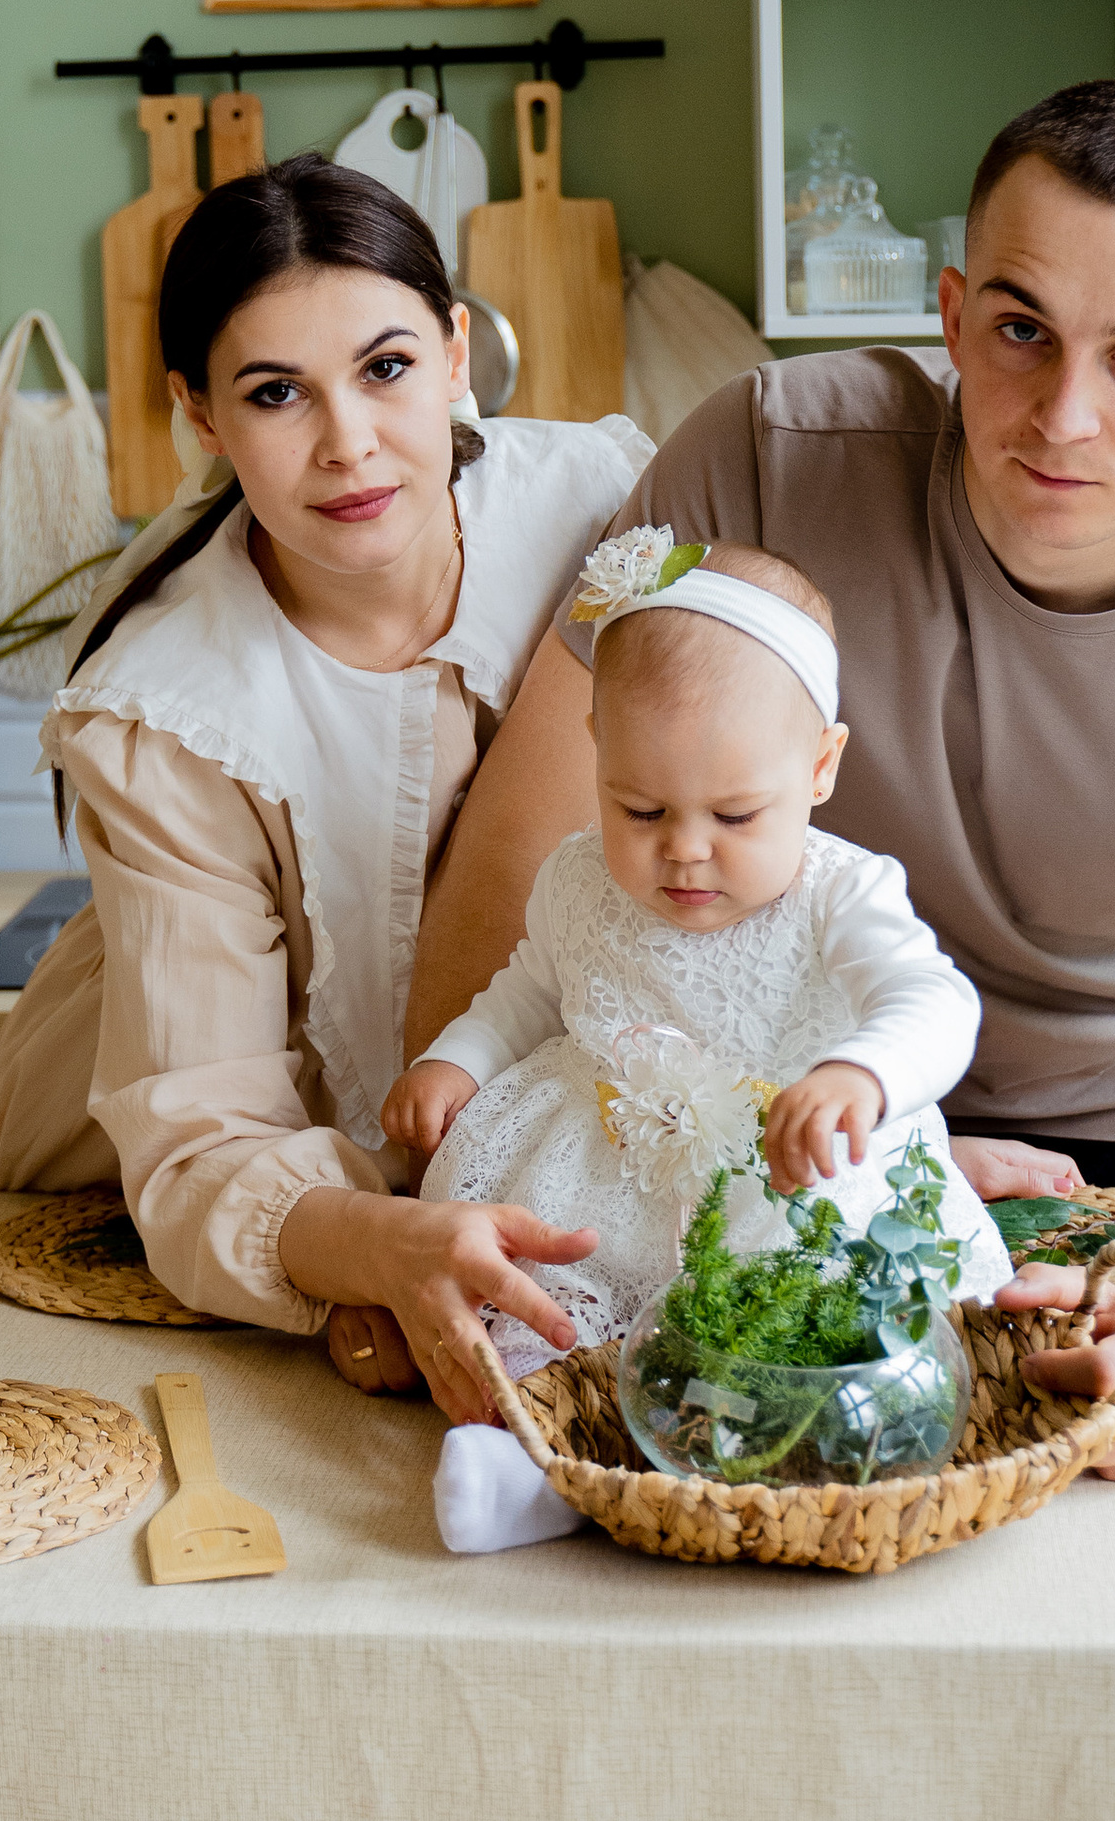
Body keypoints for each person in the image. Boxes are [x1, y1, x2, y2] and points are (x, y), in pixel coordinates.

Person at [404, 78, 1115, 1484]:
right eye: (1021, 332)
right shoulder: (760, 459)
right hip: (773, 1137)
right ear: (951, 317)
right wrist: (419, 1200)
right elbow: (533, 849)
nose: (1063, 415)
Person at [0, 155, 653, 1418]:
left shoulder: (603, 511)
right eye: (277, 393)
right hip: (183, 1155)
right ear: (202, 415)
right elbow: (202, 1145)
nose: (348, 444)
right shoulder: (166, 709)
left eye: (385, 368)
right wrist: (381, 1249)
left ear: (454, 353)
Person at [383, 536, 1012, 1412]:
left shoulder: (840, 892)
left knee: (819, 1321)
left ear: (820, 767)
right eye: (639, 808)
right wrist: (460, 1059)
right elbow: (534, 987)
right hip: (607, 1174)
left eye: (735, 813)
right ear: (599, 749)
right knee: (548, 1301)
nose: (683, 849)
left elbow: (934, 1001)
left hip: (785, 1185)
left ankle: (786, 1421)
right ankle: (533, 1435)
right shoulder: (578, 877)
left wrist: (860, 1075)